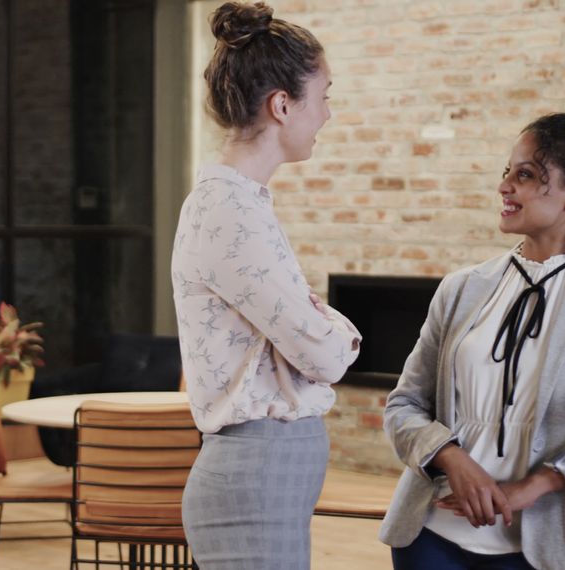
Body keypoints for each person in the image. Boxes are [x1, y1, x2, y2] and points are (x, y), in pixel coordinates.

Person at [379, 113, 565, 570]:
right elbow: (403, 406)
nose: (504, 186)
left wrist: (537, 485)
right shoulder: (462, 287)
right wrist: (451, 458)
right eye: (507, 172)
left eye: (527, 175)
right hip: (430, 535)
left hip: (545, 544)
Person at [171, 2, 361, 569]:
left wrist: (313, 314)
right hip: (254, 473)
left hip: (261, 470)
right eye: (324, 95)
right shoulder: (230, 210)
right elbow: (325, 355)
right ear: (282, 105)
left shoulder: (238, 203)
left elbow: (303, 329)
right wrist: (336, 323)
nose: (327, 112)